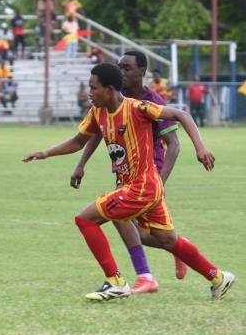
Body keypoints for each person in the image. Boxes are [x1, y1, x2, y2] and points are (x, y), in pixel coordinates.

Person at [23, 63, 235, 302]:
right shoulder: (97, 112)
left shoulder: (137, 108)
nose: (89, 93)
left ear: (110, 89)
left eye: (94, 88)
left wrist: (200, 147)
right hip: (139, 187)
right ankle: (218, 277)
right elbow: (78, 141)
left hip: (142, 186)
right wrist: (45, 153)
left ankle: (115, 282)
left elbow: (181, 114)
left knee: (85, 219)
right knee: (167, 240)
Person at [71, 51, 183, 294]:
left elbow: (173, 143)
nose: (121, 72)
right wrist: (82, 163)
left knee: (121, 219)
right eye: (119, 67)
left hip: (147, 171)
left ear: (142, 72)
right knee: (139, 231)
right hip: (124, 170)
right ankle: (173, 250)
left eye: (127, 68)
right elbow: (98, 130)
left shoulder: (151, 101)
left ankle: (145, 274)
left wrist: (160, 183)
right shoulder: (112, 98)